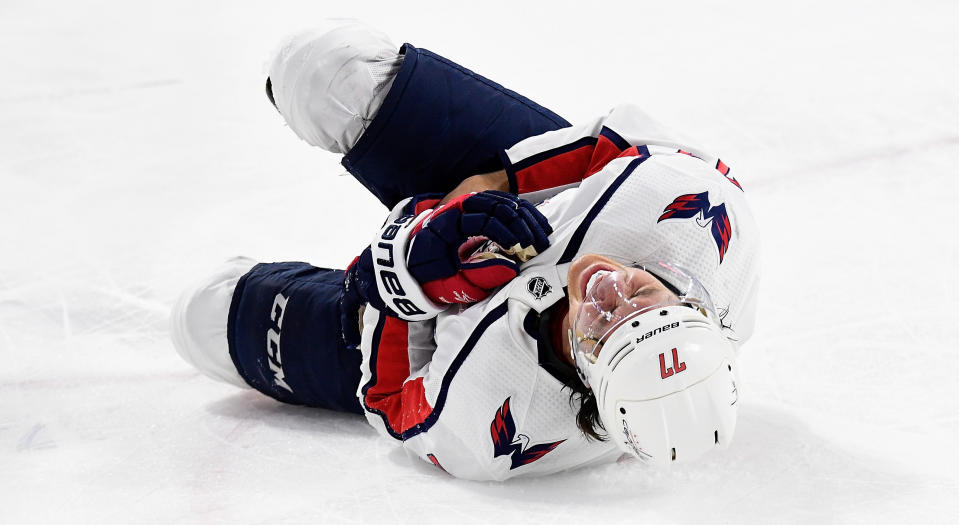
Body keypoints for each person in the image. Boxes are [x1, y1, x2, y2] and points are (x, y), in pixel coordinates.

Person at [171, 22, 760, 480]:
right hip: (532, 203)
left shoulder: (500, 426)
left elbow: (390, 405)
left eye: (603, 324)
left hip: (425, 320)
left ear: (586, 376)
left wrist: (411, 277)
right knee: (329, 69)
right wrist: (490, 187)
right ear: (695, 305)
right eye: (644, 295)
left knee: (202, 318)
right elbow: (611, 145)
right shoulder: (696, 215)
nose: (608, 287)